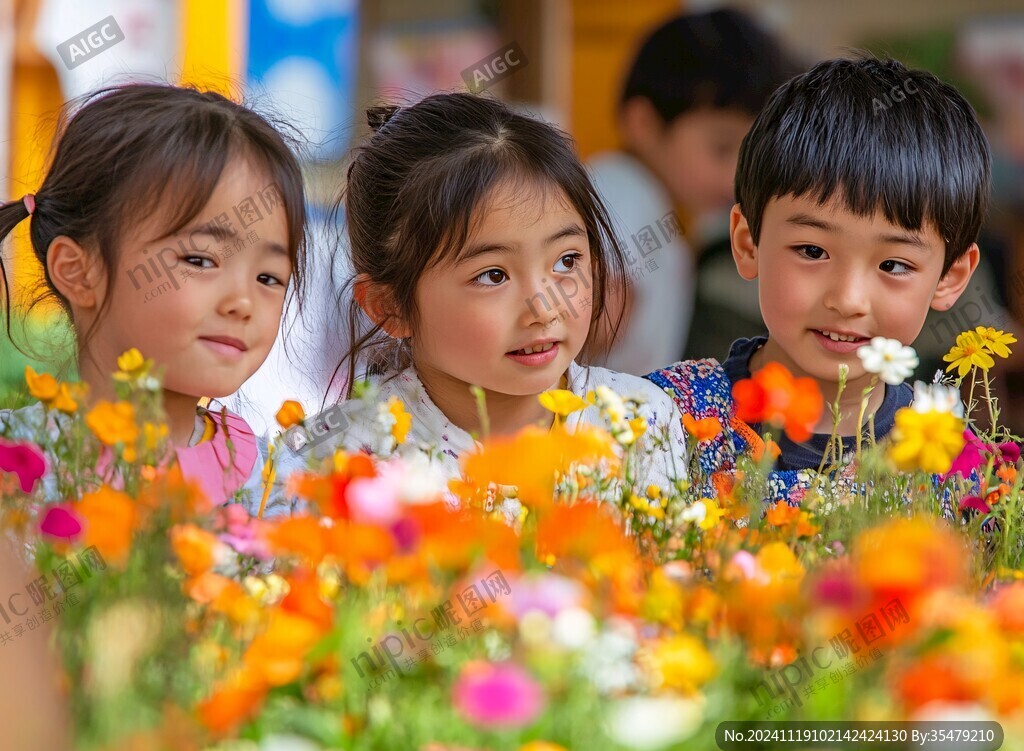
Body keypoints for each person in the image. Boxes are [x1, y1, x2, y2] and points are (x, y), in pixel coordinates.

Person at [287, 93, 689, 505]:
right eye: (493, 275)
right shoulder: (340, 458)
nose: (545, 307)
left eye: (567, 261)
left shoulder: (640, 420)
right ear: (389, 306)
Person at [646, 56, 990, 502]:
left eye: (894, 265)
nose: (848, 300)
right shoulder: (666, 417)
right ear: (748, 242)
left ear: (949, 276)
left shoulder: (955, 470)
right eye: (812, 251)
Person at [0, 83, 308, 516]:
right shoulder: (13, 469)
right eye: (200, 260)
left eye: (268, 277)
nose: (243, 302)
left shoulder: (284, 489)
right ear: (77, 270)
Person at [590, 8, 799, 375]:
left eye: (750, 152)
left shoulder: (671, 210)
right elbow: (598, 303)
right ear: (645, 124)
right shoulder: (621, 188)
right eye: (720, 147)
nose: (736, 173)